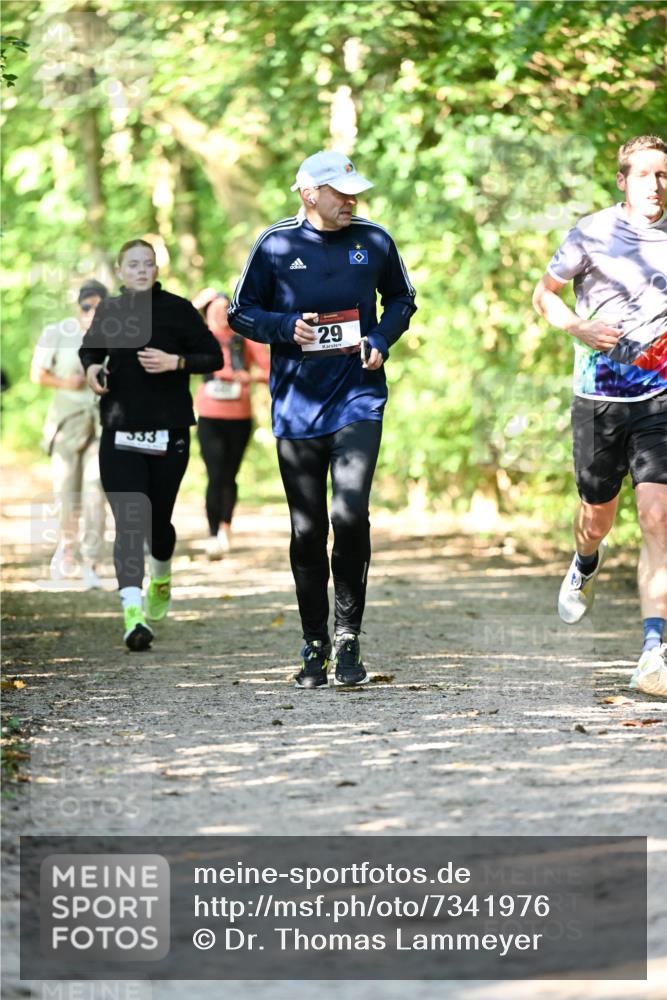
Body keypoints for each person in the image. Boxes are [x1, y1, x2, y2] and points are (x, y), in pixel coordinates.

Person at [228, 150, 416, 688]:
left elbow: (402, 298)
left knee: (350, 514)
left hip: (359, 398)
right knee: (307, 530)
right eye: (341, 191)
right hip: (297, 406)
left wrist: (381, 336)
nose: (352, 200)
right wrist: (287, 326)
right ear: (309, 192)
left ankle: (349, 636)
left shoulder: (374, 240)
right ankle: (314, 644)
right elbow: (240, 311)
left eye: (355, 190)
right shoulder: (275, 244)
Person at [532, 134, 667, 697]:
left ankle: (654, 651)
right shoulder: (591, 232)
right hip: (599, 399)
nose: (656, 186)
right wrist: (578, 328)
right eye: (645, 175)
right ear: (623, 181)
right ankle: (585, 560)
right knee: (597, 516)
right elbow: (545, 294)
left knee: (658, 517)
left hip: (660, 397)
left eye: (663, 176)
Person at [79, 240, 222, 651]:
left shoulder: (178, 310)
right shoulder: (111, 310)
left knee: (158, 524)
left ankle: (161, 572)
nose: (141, 270)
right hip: (120, 432)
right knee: (129, 522)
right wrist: (91, 368)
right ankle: (132, 612)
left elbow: (212, 356)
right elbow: (90, 348)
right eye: (133, 265)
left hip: (168, 431)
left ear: (156, 270)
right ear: (121, 272)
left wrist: (176, 362)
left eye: (148, 264)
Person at [31, 279, 109, 588]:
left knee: (95, 491)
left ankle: (91, 562)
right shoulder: (56, 333)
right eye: (86, 306)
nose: (91, 312)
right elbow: (37, 374)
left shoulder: (116, 335)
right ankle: (65, 550)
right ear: (77, 307)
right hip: (66, 423)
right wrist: (68, 383)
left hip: (102, 423)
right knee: (67, 493)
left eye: (98, 307)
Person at [193, 291, 270, 559]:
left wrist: (249, 377)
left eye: (226, 308)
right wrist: (202, 300)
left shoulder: (244, 337)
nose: (221, 314)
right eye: (215, 309)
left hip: (239, 417)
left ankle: (226, 527)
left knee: (229, 475)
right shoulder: (201, 337)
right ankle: (213, 534)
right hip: (209, 416)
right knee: (215, 475)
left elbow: (270, 370)